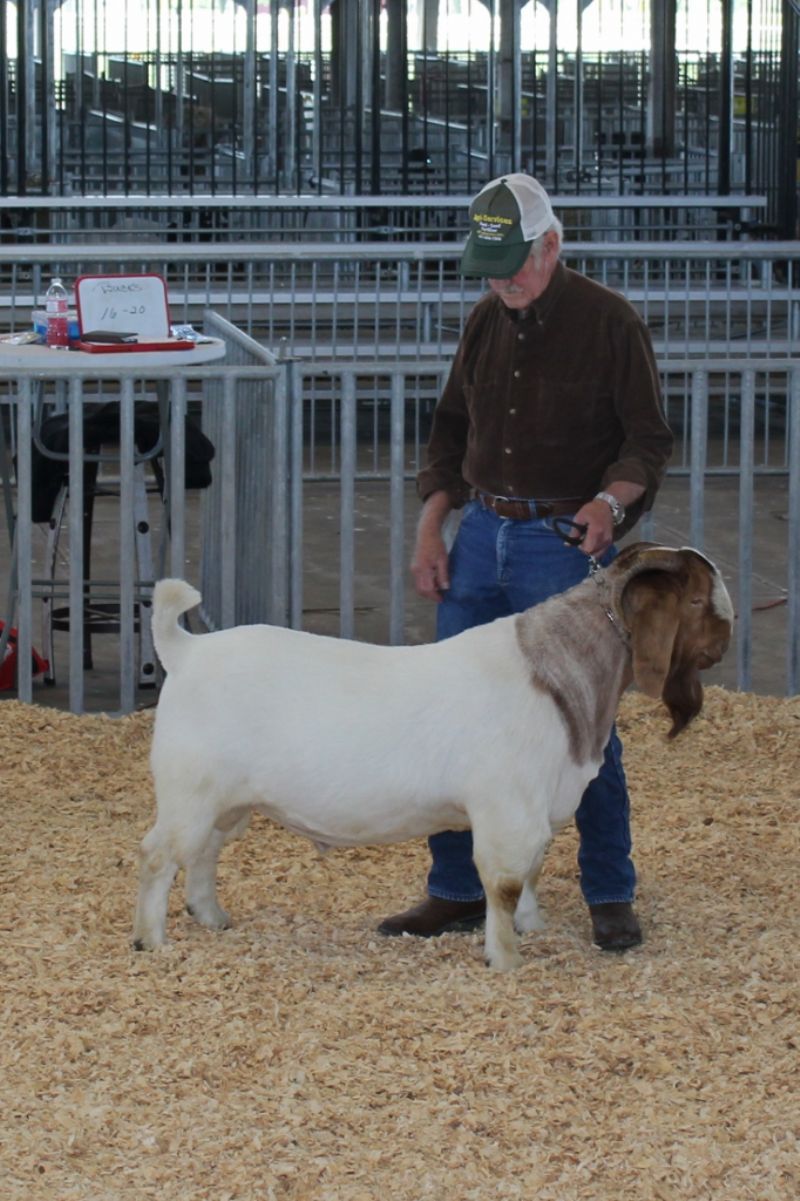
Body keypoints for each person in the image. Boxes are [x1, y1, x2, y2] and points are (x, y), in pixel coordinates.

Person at [378, 173, 674, 951]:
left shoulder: (610, 322)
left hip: (563, 544)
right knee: (451, 713)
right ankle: (458, 887)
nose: (503, 279)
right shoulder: (485, 318)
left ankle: (609, 887)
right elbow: (448, 431)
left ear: (552, 244)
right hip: (481, 534)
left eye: (515, 261)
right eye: (491, 264)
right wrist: (431, 528)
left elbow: (647, 439)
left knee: (584, 723)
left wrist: (609, 505)